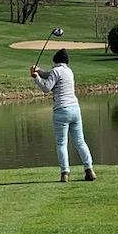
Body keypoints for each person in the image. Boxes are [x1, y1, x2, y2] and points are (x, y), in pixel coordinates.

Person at [30, 48, 96, 183]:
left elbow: (46, 88)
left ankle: (65, 173)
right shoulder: (68, 71)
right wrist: (39, 71)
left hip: (61, 110)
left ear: (55, 60)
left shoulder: (56, 71)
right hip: (75, 109)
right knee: (80, 142)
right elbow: (49, 75)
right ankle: (89, 170)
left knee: (61, 144)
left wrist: (36, 77)